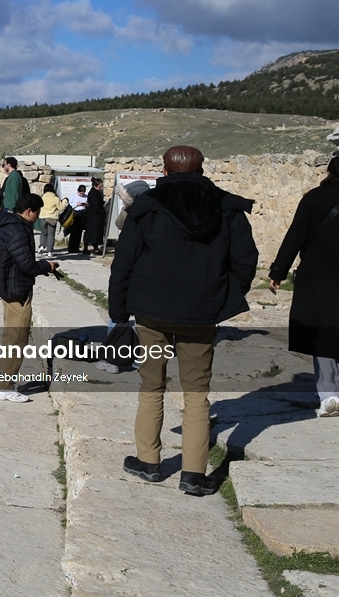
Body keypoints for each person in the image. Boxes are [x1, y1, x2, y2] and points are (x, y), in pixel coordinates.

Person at [109, 145, 257, 496]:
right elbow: (245, 259)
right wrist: (225, 296)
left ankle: (149, 462)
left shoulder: (146, 207)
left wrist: (118, 312)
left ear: (164, 171)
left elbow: (124, 262)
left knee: (152, 386)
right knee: (196, 394)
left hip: (151, 312)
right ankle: (193, 474)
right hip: (201, 314)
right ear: (202, 170)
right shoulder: (226, 207)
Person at [269, 155, 339, 418]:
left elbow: (296, 235)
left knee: (323, 332)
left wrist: (278, 271)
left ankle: (330, 394)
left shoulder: (314, 198)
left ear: (329, 172)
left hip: (319, 274)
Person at [0, 194, 59, 403]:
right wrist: (47, 266)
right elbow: (27, 265)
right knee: (17, 340)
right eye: (37, 213)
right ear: (29, 211)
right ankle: (5, 387)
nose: (38, 217)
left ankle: (4, 382)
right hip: (17, 292)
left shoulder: (5, 225)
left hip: (7, 288)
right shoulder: (19, 231)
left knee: (10, 338)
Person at [38, 184, 67, 255]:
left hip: (42, 217)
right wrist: (65, 201)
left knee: (43, 233)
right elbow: (61, 207)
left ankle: (42, 246)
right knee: (51, 234)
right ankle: (49, 251)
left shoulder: (42, 197)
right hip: (52, 218)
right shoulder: (55, 198)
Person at [83, 178, 106, 255]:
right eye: (100, 186)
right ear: (97, 185)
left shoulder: (93, 192)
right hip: (95, 216)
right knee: (94, 233)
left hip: (92, 215)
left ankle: (87, 247)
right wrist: (102, 212)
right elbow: (96, 205)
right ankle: (95, 249)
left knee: (90, 232)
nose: (101, 188)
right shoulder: (94, 193)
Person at [66, 185, 88, 253]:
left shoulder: (86, 197)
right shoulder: (73, 196)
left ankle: (76, 247)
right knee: (74, 232)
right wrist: (76, 204)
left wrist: (86, 204)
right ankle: (71, 248)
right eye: (80, 193)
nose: (81, 195)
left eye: (83, 193)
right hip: (76, 214)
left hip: (83, 214)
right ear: (78, 191)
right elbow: (70, 205)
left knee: (79, 232)